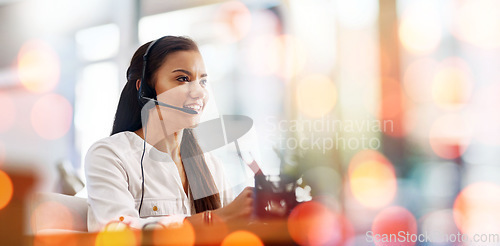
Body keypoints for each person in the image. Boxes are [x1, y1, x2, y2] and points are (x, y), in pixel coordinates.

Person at [85, 36, 253, 232]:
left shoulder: (210, 165)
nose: (199, 92)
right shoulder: (110, 155)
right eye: (183, 79)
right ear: (146, 89)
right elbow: (119, 233)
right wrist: (216, 218)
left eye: (203, 81)